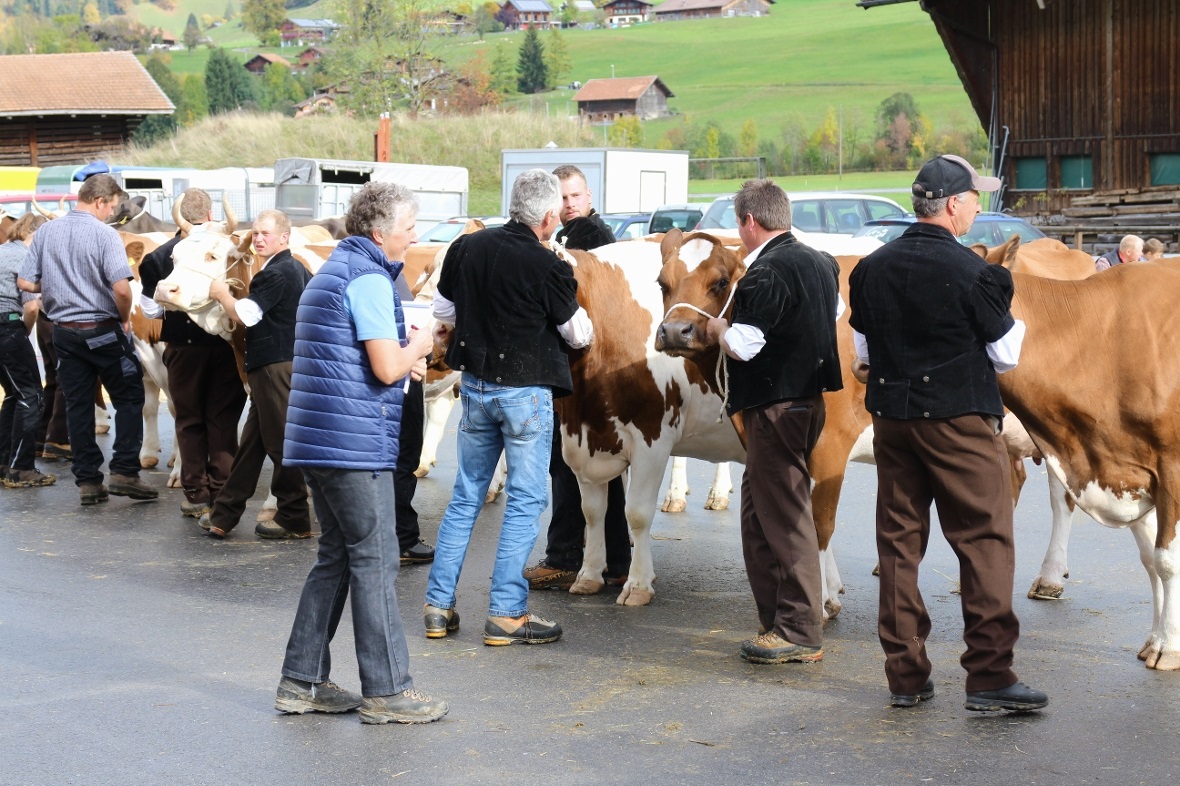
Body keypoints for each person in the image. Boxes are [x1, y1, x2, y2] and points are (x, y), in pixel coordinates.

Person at [848, 154, 1049, 713]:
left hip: (892, 420)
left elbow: (863, 353)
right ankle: (989, 675)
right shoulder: (975, 273)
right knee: (984, 540)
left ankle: (905, 676)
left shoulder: (870, 269)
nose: (979, 208)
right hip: (958, 421)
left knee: (898, 545)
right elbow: (1006, 357)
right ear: (954, 205)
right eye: (975, 199)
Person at [276, 181, 446, 725]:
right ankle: (387, 690)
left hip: (318, 439)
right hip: (353, 444)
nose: (412, 237)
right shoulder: (370, 279)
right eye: (407, 228)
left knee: (337, 557)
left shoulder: (332, 271)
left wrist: (401, 358)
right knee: (375, 559)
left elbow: (353, 358)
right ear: (379, 233)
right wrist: (419, 345)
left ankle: (301, 680)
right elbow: (387, 367)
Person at [424, 169, 593, 646]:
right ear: (548, 216)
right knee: (524, 501)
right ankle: (506, 613)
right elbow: (579, 334)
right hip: (525, 395)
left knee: (465, 496)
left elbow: (442, 312)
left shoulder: (466, 247)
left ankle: (437, 607)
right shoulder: (547, 264)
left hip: (475, 387)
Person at [701, 179, 842, 665]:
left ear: (749, 221)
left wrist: (718, 328)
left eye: (737, 222)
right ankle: (777, 621)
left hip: (776, 407)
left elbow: (743, 345)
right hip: (807, 403)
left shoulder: (765, 272)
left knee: (783, 516)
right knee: (759, 514)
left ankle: (800, 631)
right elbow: (836, 312)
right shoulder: (821, 262)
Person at [17, 174, 157, 505]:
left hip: (64, 332)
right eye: (111, 207)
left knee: (78, 405)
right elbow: (122, 289)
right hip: (103, 329)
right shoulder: (105, 234)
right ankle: (124, 472)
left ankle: (89, 482)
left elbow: (25, 282)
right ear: (99, 201)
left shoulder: (47, 231)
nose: (111, 213)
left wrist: (57, 284)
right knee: (129, 397)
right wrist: (125, 318)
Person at [523, 163, 630, 591]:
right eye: (562, 197)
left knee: (571, 463)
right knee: (596, 465)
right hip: (582, 365)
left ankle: (565, 556)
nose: (568, 204)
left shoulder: (592, 238)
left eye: (575, 196)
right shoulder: (568, 235)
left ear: (589, 197)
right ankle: (613, 560)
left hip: (584, 366)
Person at [199, 209, 312, 539]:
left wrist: (221, 294)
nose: (258, 239)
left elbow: (246, 315)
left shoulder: (276, 272)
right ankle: (224, 515)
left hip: (274, 368)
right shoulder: (297, 269)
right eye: (256, 233)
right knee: (251, 446)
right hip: (279, 366)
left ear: (284, 237)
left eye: (266, 233)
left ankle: (295, 518)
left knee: (279, 445)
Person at [138, 188, 247, 520]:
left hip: (182, 348)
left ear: (179, 217)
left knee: (188, 419)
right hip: (224, 346)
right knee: (222, 418)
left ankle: (196, 493)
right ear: (211, 214)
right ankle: (222, 489)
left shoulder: (159, 256)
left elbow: (150, 311)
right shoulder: (230, 247)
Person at [0, 213, 55, 488]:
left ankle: (4, 462)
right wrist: (24, 330)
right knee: (31, 396)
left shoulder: (2, 251)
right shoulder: (26, 257)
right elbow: (32, 307)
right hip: (8, 327)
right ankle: (21, 468)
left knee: (14, 395)